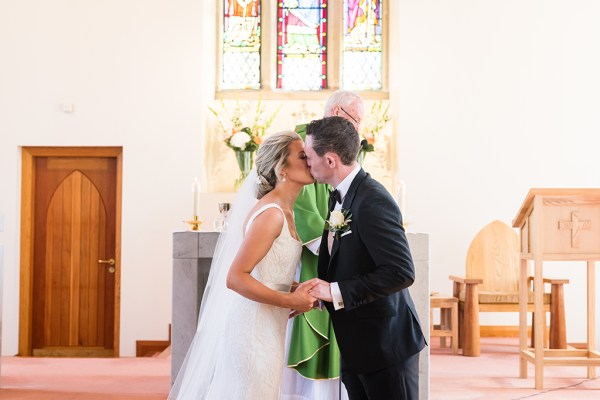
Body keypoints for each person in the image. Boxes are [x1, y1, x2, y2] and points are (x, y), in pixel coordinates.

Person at [169, 130, 319, 400]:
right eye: (302, 156)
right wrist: (288, 301)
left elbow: (267, 272)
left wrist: (297, 291)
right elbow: (236, 277)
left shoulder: (285, 210)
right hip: (251, 332)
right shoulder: (271, 214)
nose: (310, 160)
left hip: (268, 326)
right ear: (281, 168)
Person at [304, 116, 426, 400]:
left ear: (331, 160)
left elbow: (400, 272)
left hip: (386, 347)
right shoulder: (340, 196)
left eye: (310, 157)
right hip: (357, 344)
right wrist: (318, 294)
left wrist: (334, 291)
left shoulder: (372, 200)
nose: (307, 163)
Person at [283, 91, 364, 400]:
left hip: (339, 258)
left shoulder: (345, 146)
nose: (356, 128)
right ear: (335, 110)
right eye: (354, 120)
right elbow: (300, 202)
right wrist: (335, 246)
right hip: (313, 257)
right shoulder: (304, 143)